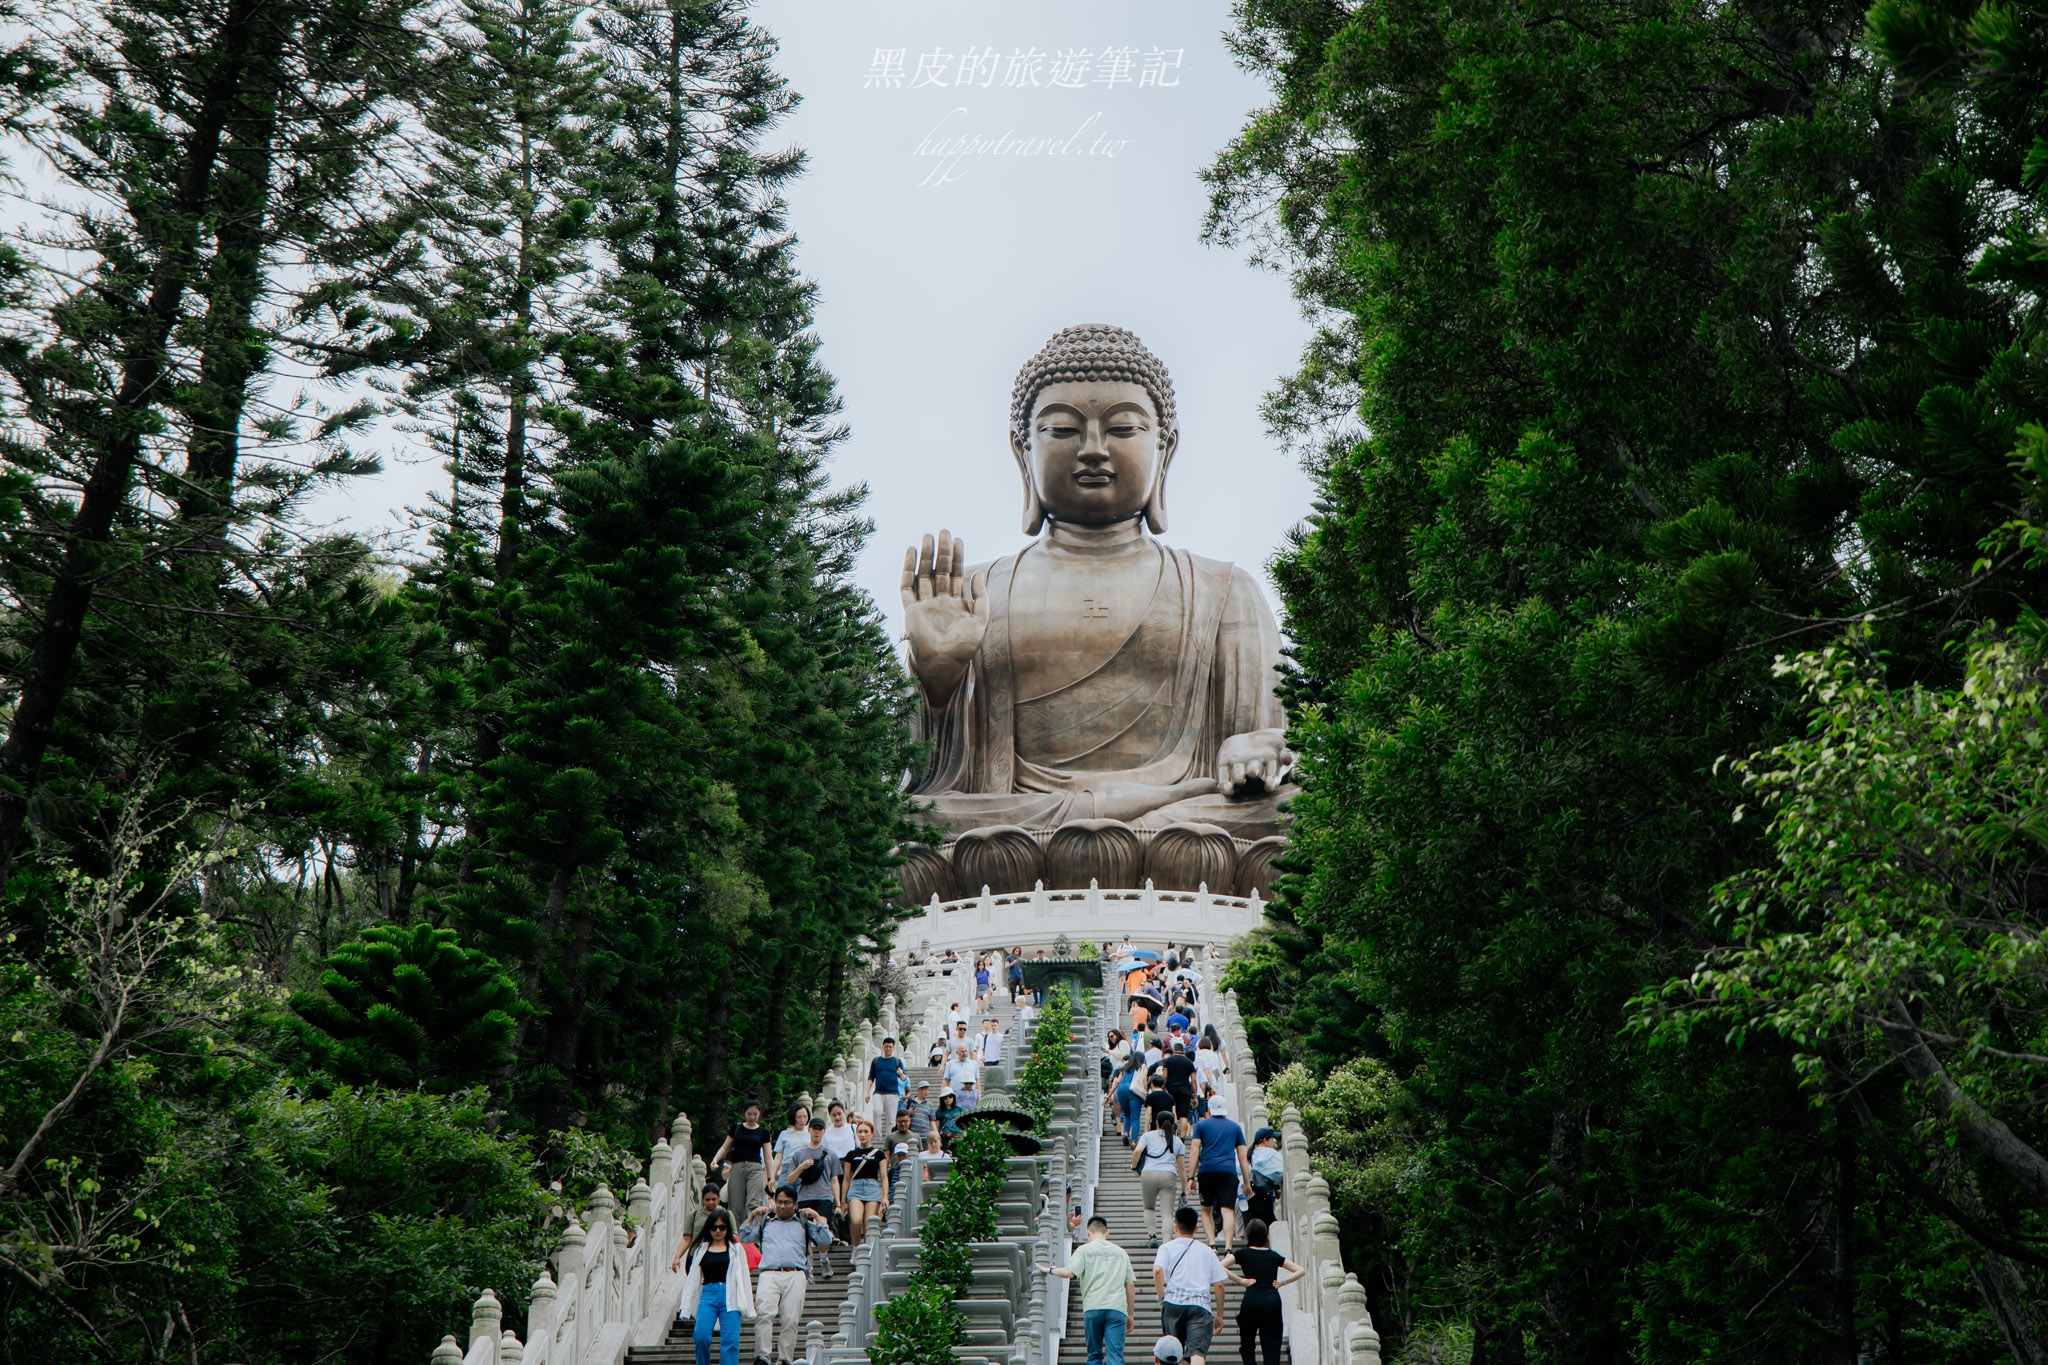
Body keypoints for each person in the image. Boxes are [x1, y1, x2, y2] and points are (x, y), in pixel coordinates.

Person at [738, 1188, 830, 1365]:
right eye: (779, 1202)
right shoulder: (766, 1223)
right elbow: (744, 1237)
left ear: (795, 1204)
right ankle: (762, 1356)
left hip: (795, 1274)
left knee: (790, 1319)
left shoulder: (803, 1223)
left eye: (787, 1202)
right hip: (769, 1274)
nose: (782, 1206)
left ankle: (785, 1359)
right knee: (764, 1314)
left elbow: (825, 1240)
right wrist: (751, 1217)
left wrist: (817, 1217)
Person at [1037, 1215, 1137, 1365]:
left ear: (1088, 1232)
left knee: (1094, 1356)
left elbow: (1069, 1273)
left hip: (1093, 1307)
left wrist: (1049, 1269)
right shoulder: (1121, 1253)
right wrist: (1130, 1314)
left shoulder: (1083, 1251)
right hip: (1117, 1309)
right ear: (1107, 1233)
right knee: (1115, 1356)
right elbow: (1130, 1285)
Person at [1151, 1207, 1227, 1365]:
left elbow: (1157, 1270)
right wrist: (1219, 1314)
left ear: (1175, 1226)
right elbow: (1219, 1284)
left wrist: (1161, 1299)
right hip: (1200, 1306)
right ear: (1196, 1228)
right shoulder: (1207, 1251)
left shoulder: (1166, 1248)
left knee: (1172, 1352)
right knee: (1197, 1353)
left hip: (1173, 1305)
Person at [677, 1208, 753, 1365]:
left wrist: (749, 1307)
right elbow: (692, 1280)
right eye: (714, 1227)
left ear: (727, 1228)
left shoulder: (736, 1250)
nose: (718, 1231)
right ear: (708, 1228)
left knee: (730, 1341)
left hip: (730, 1295)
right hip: (708, 1294)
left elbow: (744, 1278)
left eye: (722, 1227)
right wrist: (685, 1308)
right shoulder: (701, 1250)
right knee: (701, 1336)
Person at [1223, 1220, 1304, 1365]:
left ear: (1247, 1236)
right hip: (1271, 1299)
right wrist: (1282, 1282)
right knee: (1271, 1346)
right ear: (1265, 1235)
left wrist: (1241, 1281)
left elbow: (1219, 1265)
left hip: (1252, 1298)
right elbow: (1301, 1270)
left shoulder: (1242, 1254)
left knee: (1247, 1343)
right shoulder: (1273, 1255)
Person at [1189, 1099, 1250, 1248]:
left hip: (1207, 1171)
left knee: (1206, 1209)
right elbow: (1242, 1157)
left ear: (1209, 1108)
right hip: (1228, 1172)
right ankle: (1228, 1247)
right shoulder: (1235, 1128)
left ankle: (1212, 1243)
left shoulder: (1201, 1126)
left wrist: (1190, 1177)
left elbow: (1195, 1151)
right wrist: (1247, 1183)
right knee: (1227, 1209)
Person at [787, 1118, 843, 1279]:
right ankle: (809, 1267)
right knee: (807, 1233)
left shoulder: (830, 1155)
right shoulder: (799, 1154)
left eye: (820, 1129)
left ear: (824, 1131)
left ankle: (824, 1259)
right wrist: (801, 1167)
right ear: (809, 1130)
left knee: (822, 1226)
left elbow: (834, 1180)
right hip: (805, 1197)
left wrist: (838, 1203)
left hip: (824, 1197)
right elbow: (790, 1180)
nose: (817, 1132)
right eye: (814, 1128)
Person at [1132, 1110, 1187, 1248]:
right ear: (1173, 1124)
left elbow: (1137, 1151)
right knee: (1167, 1213)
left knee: (1149, 1207)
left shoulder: (1147, 1136)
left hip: (1149, 1173)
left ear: (1157, 1122)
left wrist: (1134, 1167)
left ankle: (1152, 1236)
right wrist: (1184, 1189)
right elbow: (1181, 1168)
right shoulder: (1177, 1141)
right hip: (1169, 1175)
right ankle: (1167, 1242)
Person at [707, 1099, 771, 1217]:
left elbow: (768, 1157)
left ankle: (752, 1232)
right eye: (749, 1114)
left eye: (755, 1114)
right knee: (736, 1205)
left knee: (754, 1204)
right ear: (744, 1113)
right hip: (737, 1167)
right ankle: (737, 1233)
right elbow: (724, 1147)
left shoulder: (763, 1132)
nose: (752, 1117)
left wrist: (770, 1177)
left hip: (755, 1169)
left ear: (759, 1113)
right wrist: (715, 1160)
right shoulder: (737, 1128)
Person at [843, 1120, 890, 1247]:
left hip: (872, 1187)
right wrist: (842, 1201)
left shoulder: (879, 1154)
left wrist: (885, 1196)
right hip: (856, 1188)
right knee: (856, 1220)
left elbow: (884, 1177)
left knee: (869, 1223)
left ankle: (868, 1249)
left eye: (866, 1131)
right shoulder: (851, 1154)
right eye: (860, 1132)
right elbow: (846, 1178)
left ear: (872, 1134)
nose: (862, 1135)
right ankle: (856, 1248)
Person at [671, 1182, 727, 1271]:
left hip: (719, 1256)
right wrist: (677, 1257)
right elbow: (686, 1238)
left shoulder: (726, 1215)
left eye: (714, 1199)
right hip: (696, 1256)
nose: (710, 1202)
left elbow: (733, 1237)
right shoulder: (694, 1215)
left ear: (719, 1199)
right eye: (707, 1199)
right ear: (703, 1200)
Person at [865, 1037, 907, 1133]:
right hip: (879, 1092)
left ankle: (889, 1138)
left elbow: (904, 1079)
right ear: (882, 1047)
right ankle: (877, 1136)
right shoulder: (876, 1061)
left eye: (890, 1047)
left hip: (892, 1093)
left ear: (893, 1048)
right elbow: (871, 1077)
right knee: (876, 1111)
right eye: (886, 1046)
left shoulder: (897, 1061)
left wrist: (900, 1073)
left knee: (891, 1119)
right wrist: (867, 1092)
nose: (888, 1049)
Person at [770, 1102, 811, 1194]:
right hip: (787, 1169)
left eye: (805, 1116)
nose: (802, 1120)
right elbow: (778, 1157)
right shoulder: (784, 1134)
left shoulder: (810, 1134)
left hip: (804, 1170)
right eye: (799, 1117)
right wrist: (772, 1176)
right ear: (793, 1117)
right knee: (784, 1197)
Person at [1246, 1129, 1284, 1226]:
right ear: (1265, 1140)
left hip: (1251, 1196)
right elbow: (1283, 1171)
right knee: (1270, 1225)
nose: (1273, 1141)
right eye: (1272, 1138)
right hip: (1266, 1195)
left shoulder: (1251, 1154)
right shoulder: (1272, 1154)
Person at [1109, 1052, 1144, 1145]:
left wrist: (1109, 1094)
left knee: (1127, 1114)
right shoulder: (1142, 1068)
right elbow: (1144, 1081)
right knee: (1135, 1117)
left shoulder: (1125, 1068)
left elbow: (1117, 1081)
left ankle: (1125, 1133)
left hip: (1121, 1090)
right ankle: (1133, 1141)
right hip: (1134, 1091)